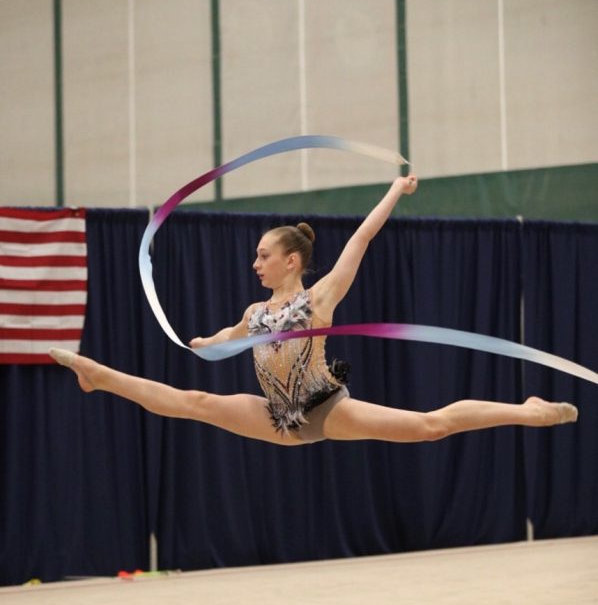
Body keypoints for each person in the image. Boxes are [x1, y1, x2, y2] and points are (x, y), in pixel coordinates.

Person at [50, 174, 577, 445]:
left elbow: (363, 238)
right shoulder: (256, 311)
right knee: (194, 401)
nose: (255, 264)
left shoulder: (317, 299)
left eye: (263, 255)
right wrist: (207, 343)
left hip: (326, 407)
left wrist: (395, 191)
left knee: (428, 427)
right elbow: (228, 333)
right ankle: (99, 375)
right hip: (277, 416)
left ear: (291, 260)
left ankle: (528, 411)